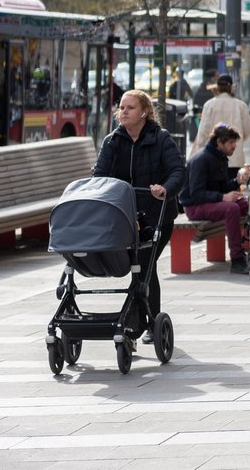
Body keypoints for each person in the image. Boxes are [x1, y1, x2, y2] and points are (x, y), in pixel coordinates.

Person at [92, 90, 186, 344]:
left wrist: (165, 188)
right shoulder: (113, 141)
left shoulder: (161, 138)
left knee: (144, 265)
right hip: (125, 217)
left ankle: (139, 324)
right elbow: (99, 175)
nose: (123, 112)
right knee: (141, 268)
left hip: (156, 217)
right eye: (121, 107)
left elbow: (178, 171)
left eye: (130, 108)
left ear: (144, 112)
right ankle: (146, 320)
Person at [179, 123, 250, 274]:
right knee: (231, 208)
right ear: (219, 142)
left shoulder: (220, 158)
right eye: (231, 142)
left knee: (247, 203)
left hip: (209, 203)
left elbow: (222, 187)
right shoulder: (201, 159)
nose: (234, 146)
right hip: (194, 207)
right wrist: (223, 197)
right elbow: (196, 194)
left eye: (235, 142)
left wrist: (237, 182)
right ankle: (237, 259)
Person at [190, 73, 250, 179]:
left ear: (217, 87)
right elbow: (247, 131)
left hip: (213, 158)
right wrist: (234, 142)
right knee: (232, 190)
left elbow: (203, 133)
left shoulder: (209, 105)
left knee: (215, 192)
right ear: (231, 87)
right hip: (235, 159)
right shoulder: (241, 106)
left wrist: (200, 151)